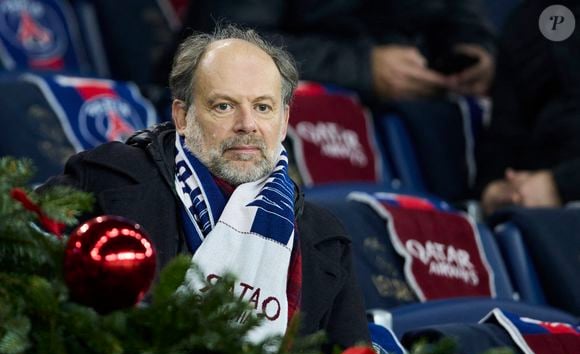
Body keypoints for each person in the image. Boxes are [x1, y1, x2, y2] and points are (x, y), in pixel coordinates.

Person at [40, 25, 370, 348]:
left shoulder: (323, 239)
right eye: (224, 106)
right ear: (183, 117)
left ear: (283, 121)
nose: (247, 125)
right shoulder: (110, 178)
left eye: (262, 107)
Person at [155, 0, 496, 103]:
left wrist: (474, 48)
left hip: (406, 114)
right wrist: (366, 68)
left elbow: (458, 13)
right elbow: (225, 43)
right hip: (262, 114)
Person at [476, 0, 580, 215]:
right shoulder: (529, 20)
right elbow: (503, 133)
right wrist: (494, 188)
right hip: (538, 206)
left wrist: (561, 185)